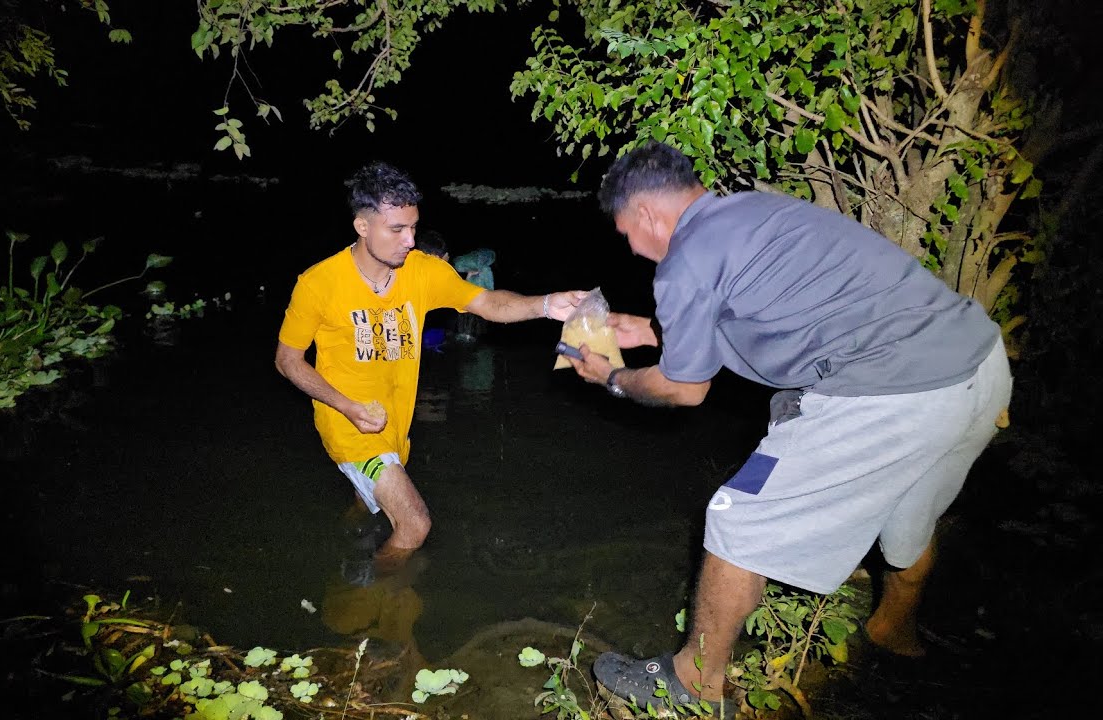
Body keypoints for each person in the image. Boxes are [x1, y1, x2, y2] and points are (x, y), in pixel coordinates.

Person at [566, 142, 1012, 716]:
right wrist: (655, 331)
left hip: (892, 392)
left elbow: (685, 389)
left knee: (737, 520)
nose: (631, 247)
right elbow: (768, 310)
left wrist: (613, 378)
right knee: (908, 521)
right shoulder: (759, 211)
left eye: (627, 232)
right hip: (976, 368)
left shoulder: (684, 260)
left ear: (648, 215)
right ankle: (893, 631)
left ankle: (691, 686)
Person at [275, 161, 586, 569]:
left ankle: (339, 540)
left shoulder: (422, 271)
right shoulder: (318, 283)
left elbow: (487, 302)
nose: (410, 240)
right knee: (415, 524)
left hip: (394, 425)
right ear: (362, 226)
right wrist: (348, 407)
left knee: (367, 502)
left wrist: (546, 305)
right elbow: (287, 361)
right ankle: (372, 599)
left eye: (414, 228)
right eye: (397, 230)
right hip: (348, 422)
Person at [451, 247, 497, 343]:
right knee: (466, 316)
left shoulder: (486, 270)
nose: (480, 261)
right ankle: (464, 335)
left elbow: (490, 286)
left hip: (481, 299)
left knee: (476, 319)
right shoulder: (471, 271)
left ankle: (473, 337)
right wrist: (470, 275)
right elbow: (466, 284)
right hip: (469, 298)